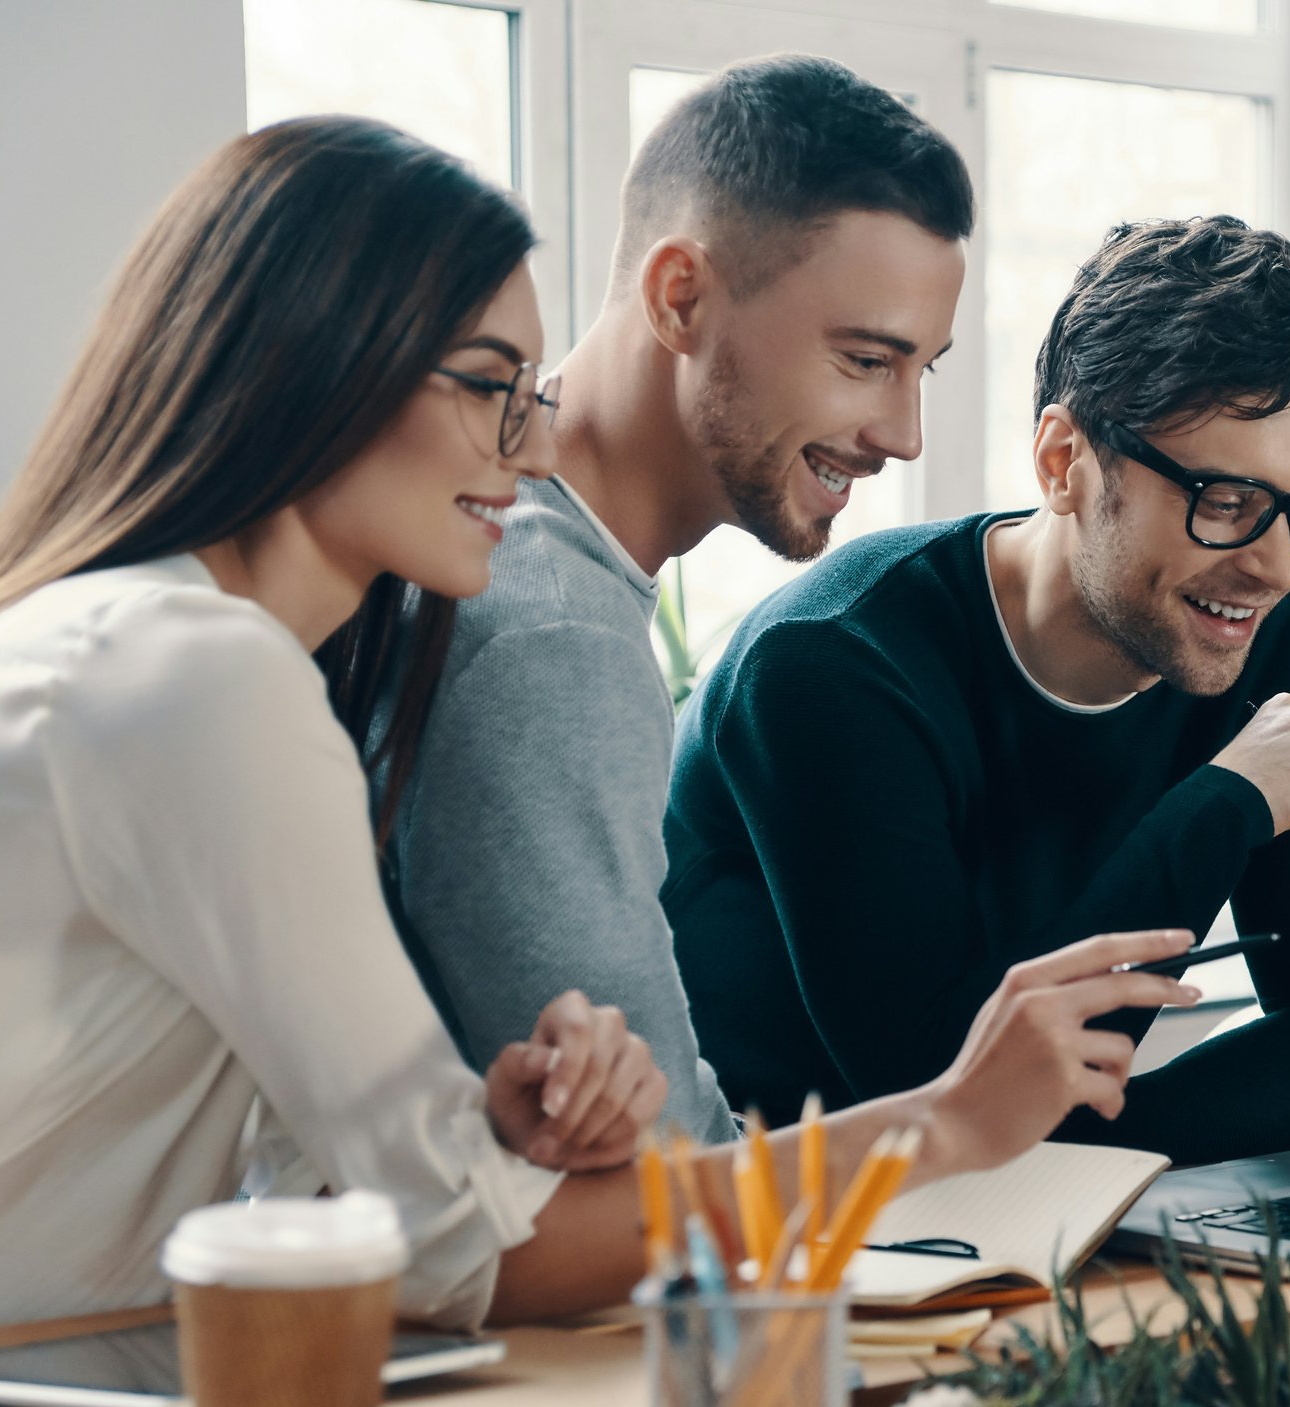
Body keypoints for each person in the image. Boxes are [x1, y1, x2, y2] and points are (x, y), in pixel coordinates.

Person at [0, 118, 1193, 1346]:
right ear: (321, 373)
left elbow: (228, 1164)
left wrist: (487, 1127)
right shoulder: (196, 673)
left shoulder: (136, 643)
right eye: (493, 385)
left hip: (6, 1403)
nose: (532, 449)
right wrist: (940, 1122)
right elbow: (466, 1254)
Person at [664, 215, 1290, 1167]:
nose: (1276, 564)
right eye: (1226, 504)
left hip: (1026, 1217)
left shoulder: (1283, 641)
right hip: (785, 1244)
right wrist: (1232, 803)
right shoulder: (831, 668)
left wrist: (1077, 1150)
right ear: (1064, 462)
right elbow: (937, 1086)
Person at [356, 55, 971, 1148]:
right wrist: (955, 1130)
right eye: (866, 360)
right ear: (678, 296)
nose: (902, 434)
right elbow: (643, 1159)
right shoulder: (550, 630)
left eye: (922, 369)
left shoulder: (532, 561)